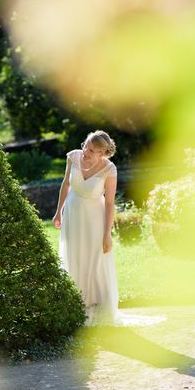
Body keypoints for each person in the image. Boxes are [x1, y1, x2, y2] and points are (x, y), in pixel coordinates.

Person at [53, 130, 119, 325]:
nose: (85, 152)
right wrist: (59, 212)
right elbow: (66, 184)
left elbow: (109, 204)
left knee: (94, 260)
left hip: (94, 221)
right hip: (73, 216)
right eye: (85, 146)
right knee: (74, 256)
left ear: (102, 154)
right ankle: (75, 305)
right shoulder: (73, 157)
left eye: (91, 150)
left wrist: (107, 234)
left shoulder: (109, 169)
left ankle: (98, 307)